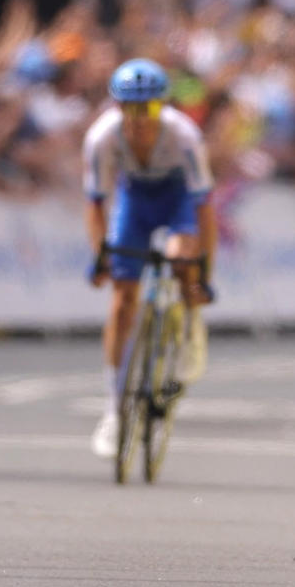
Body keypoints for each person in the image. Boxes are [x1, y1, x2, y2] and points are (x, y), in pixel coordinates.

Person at [83, 58, 217, 458]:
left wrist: (203, 271)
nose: (141, 120)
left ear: (164, 107)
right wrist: (100, 257)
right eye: (131, 109)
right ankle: (113, 409)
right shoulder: (101, 137)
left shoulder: (185, 136)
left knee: (180, 260)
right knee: (123, 298)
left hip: (177, 200)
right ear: (118, 108)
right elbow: (96, 204)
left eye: (151, 109)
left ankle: (186, 324)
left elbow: (204, 210)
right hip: (136, 201)